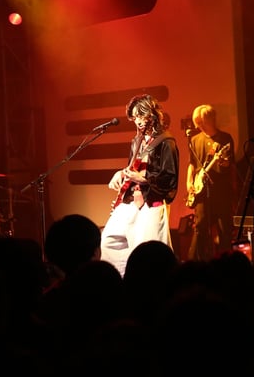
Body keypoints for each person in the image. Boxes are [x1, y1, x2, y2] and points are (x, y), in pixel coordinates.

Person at [100, 94, 179, 277]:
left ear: (151, 114)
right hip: (130, 201)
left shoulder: (166, 142)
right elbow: (133, 168)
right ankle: (120, 282)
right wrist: (121, 173)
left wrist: (144, 179)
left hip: (151, 202)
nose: (138, 121)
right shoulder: (136, 141)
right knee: (109, 241)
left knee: (149, 255)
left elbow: (169, 178)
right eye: (134, 117)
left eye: (140, 115)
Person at [185, 104, 237, 261]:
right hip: (201, 191)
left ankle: (225, 262)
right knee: (200, 226)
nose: (198, 126)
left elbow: (229, 164)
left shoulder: (225, 138)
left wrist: (223, 162)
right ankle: (194, 262)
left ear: (209, 120)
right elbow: (192, 164)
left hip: (221, 191)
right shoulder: (195, 140)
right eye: (197, 122)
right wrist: (189, 182)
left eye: (200, 122)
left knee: (224, 228)